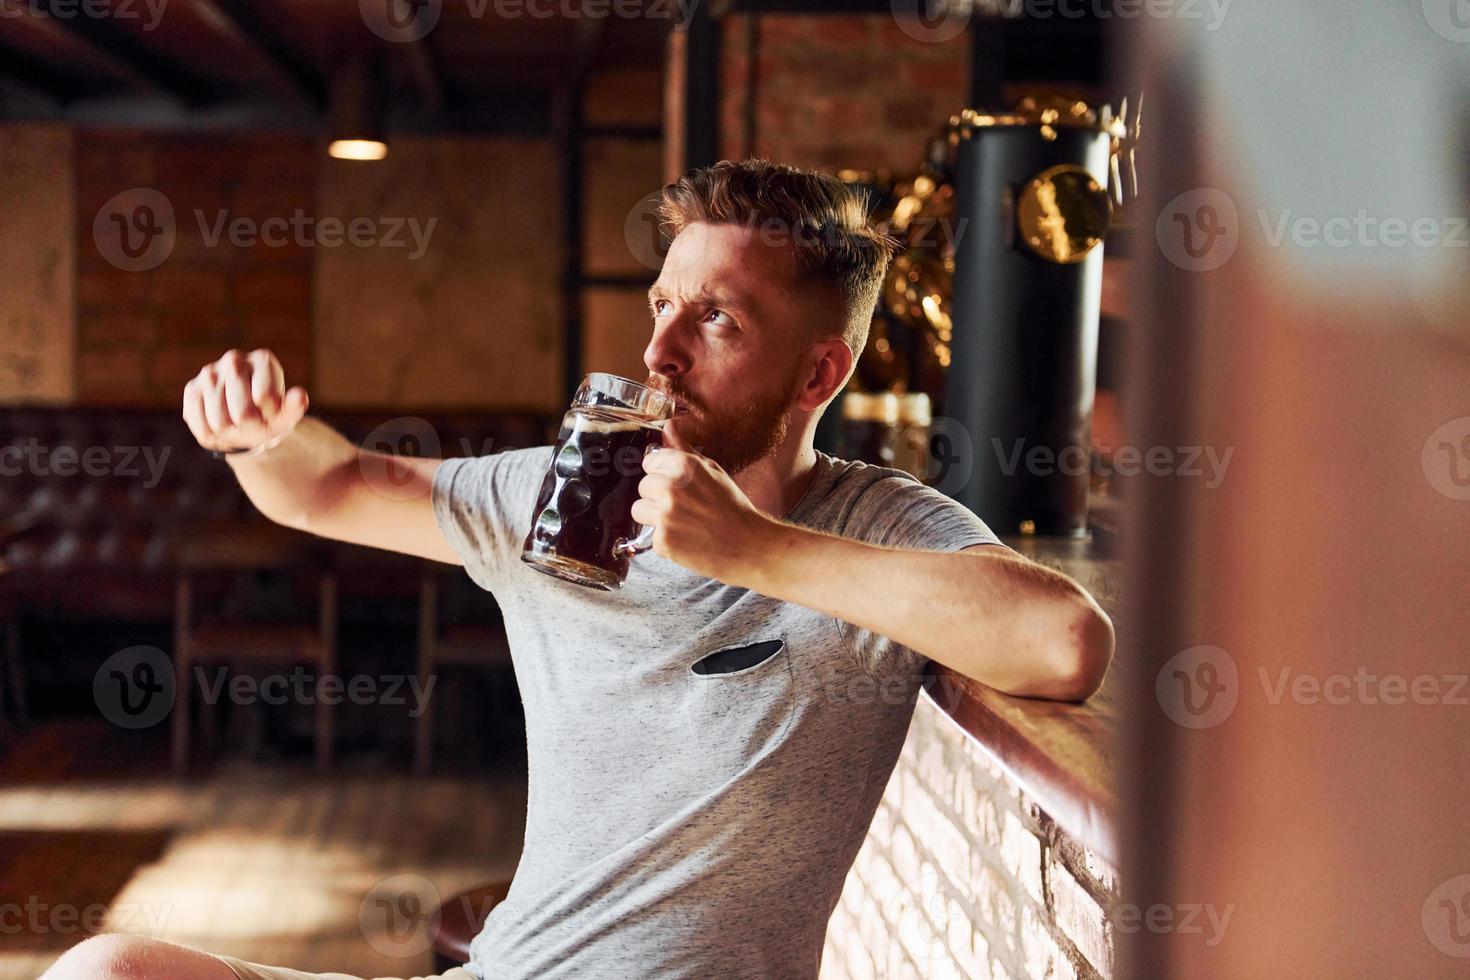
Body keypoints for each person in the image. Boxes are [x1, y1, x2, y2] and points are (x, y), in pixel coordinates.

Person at [44, 159, 1113, 980]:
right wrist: (259, 435)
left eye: (718, 319)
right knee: (105, 967)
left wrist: (756, 549)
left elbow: (1064, 639)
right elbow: (333, 486)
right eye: (663, 303)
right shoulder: (579, 486)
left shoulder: (875, 527)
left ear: (819, 370)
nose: (660, 352)